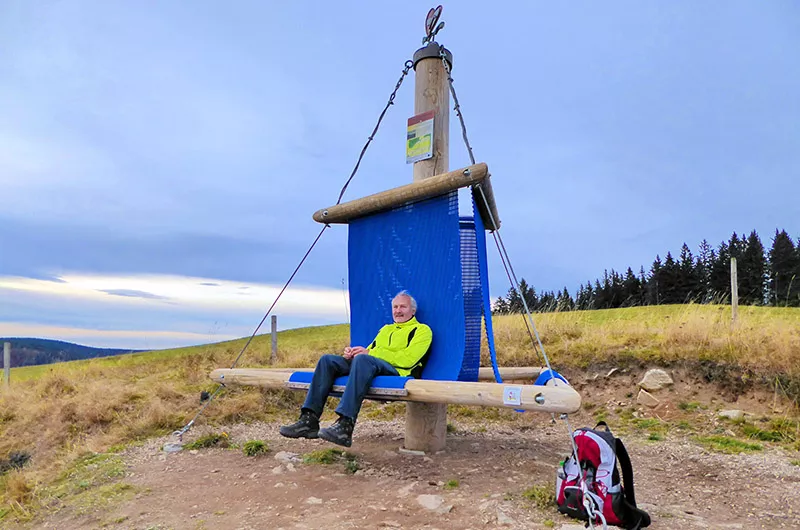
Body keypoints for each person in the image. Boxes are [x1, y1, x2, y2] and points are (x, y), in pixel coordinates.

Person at [279, 290, 433, 447]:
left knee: (364, 359)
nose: (398, 311)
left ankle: (345, 425)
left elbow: (408, 359)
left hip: (397, 372)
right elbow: (370, 351)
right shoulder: (386, 329)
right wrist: (353, 354)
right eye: (395, 307)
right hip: (373, 366)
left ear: (412, 310)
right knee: (327, 360)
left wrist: (369, 353)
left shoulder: (422, 330)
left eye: (403, 307)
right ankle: (309, 420)